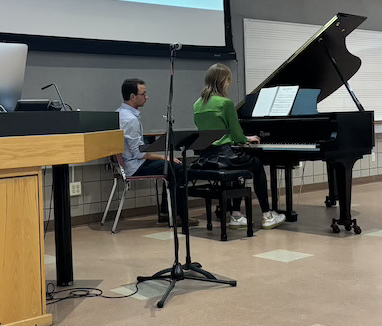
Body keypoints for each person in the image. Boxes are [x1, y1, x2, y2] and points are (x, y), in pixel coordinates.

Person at [193, 64, 286, 230]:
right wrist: (246, 138)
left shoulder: (197, 104)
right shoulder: (225, 103)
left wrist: (236, 140)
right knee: (256, 166)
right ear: (224, 81)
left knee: (239, 168)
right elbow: (237, 135)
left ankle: (236, 215)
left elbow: (214, 132)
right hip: (224, 156)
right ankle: (267, 215)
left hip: (206, 157)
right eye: (228, 80)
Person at [117, 78, 196, 228]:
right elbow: (139, 153)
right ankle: (179, 215)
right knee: (178, 168)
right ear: (133, 96)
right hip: (135, 166)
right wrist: (163, 156)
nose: (146, 97)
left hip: (127, 163)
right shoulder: (131, 120)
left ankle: (167, 212)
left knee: (170, 166)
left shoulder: (119, 113)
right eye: (143, 94)